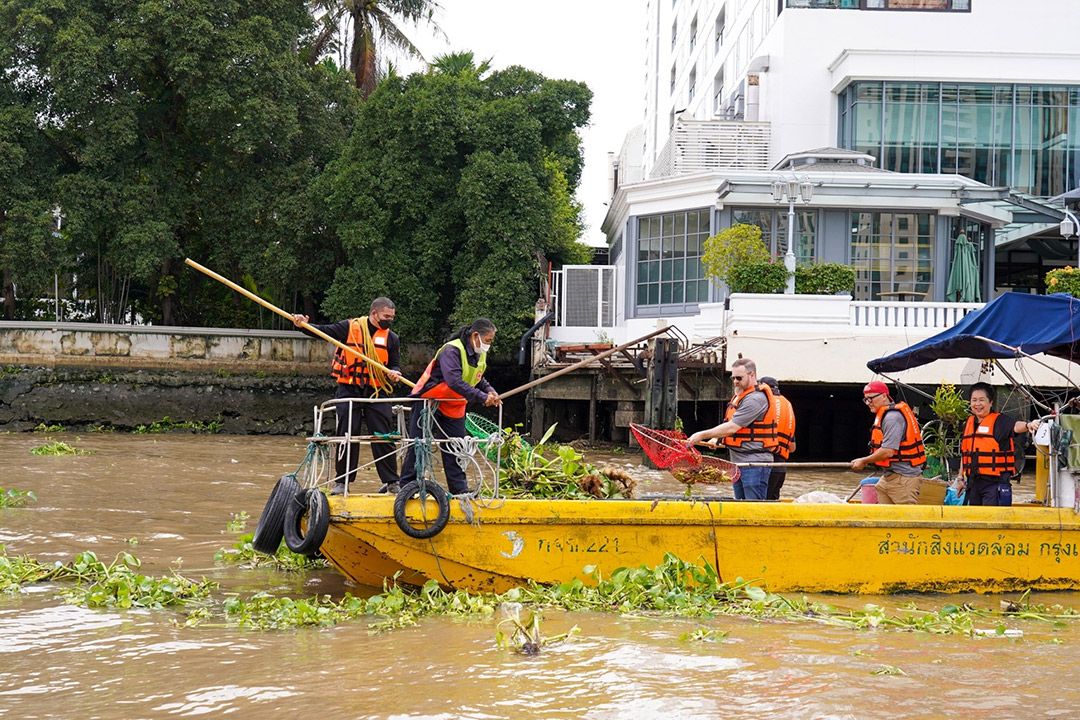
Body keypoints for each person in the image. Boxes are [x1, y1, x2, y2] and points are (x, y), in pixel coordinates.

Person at [292, 298, 403, 495]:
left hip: (377, 391)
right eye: (386, 316)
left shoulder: (391, 338)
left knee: (383, 436)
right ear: (374, 313)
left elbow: (394, 363)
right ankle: (342, 481)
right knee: (346, 434)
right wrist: (303, 325)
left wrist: (395, 373)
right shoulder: (350, 328)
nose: (389, 320)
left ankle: (392, 481)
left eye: (392, 317)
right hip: (349, 389)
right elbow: (323, 332)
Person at [399, 318, 500, 495]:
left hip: (454, 404)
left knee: (456, 447)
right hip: (430, 402)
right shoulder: (451, 350)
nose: (488, 345)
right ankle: (407, 486)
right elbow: (454, 380)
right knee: (419, 445)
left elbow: (478, 377)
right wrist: (482, 397)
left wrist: (490, 391)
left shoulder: (480, 354)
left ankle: (459, 489)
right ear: (476, 335)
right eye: (488, 340)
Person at [687, 358, 777, 500]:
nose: (735, 381)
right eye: (733, 377)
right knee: (739, 504)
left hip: (754, 463)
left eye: (739, 378)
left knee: (753, 507)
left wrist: (701, 434)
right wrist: (717, 437)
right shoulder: (740, 396)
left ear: (752, 375)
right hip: (737, 462)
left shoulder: (755, 399)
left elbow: (733, 426)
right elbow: (731, 422)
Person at [958, 382, 1039, 507]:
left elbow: (1016, 427)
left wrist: (1028, 425)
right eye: (974, 400)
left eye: (981, 400)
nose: (977, 404)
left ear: (990, 403)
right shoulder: (968, 423)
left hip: (994, 484)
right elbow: (966, 454)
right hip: (973, 483)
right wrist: (960, 478)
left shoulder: (1000, 422)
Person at [850, 381, 926, 504]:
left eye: (871, 399)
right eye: (866, 399)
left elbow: (888, 451)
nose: (868, 403)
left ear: (884, 396)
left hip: (903, 479)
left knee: (906, 520)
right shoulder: (885, 415)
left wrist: (863, 461)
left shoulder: (892, 418)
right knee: (885, 516)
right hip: (889, 477)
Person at [759, 376, 796, 501]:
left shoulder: (765, 403)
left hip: (767, 464)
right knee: (773, 500)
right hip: (781, 467)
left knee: (761, 502)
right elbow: (792, 448)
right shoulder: (788, 405)